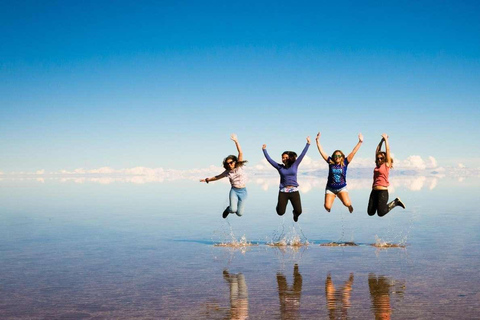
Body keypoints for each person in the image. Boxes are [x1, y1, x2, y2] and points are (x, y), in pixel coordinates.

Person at [262, 137, 310, 222]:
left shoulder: (295, 164)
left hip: (294, 191)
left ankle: (295, 214)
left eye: (285, 157)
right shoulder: (279, 167)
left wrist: (308, 144)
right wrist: (264, 150)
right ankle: (279, 205)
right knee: (280, 212)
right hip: (283, 191)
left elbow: (302, 154)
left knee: (299, 211)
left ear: (289, 158)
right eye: (282, 157)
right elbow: (269, 160)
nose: (283, 159)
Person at [200, 134, 248, 218]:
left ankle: (232, 209)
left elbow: (240, 152)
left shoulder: (239, 166)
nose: (229, 164)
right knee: (233, 210)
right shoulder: (227, 172)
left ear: (235, 162)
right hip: (234, 191)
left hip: (243, 192)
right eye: (227, 163)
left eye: (231, 162)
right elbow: (217, 177)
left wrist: (236, 141)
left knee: (240, 213)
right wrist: (207, 179)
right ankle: (228, 209)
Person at [316, 132, 363, 213]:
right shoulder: (330, 162)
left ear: (342, 157)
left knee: (347, 203)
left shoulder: (345, 162)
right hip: (330, 189)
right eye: (335, 156)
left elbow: (353, 152)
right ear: (333, 157)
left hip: (342, 188)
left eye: (339, 156)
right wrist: (317, 141)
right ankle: (332, 198)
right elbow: (322, 152)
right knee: (327, 207)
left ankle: (349, 205)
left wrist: (360, 142)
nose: (337, 157)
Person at [367, 134, 405, 217]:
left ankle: (395, 202)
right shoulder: (377, 165)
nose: (379, 159)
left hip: (382, 192)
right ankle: (380, 205)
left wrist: (386, 140)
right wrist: (381, 141)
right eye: (378, 158)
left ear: (385, 159)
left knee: (380, 213)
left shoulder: (387, 165)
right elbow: (377, 150)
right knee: (370, 212)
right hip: (374, 191)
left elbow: (388, 150)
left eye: (381, 158)